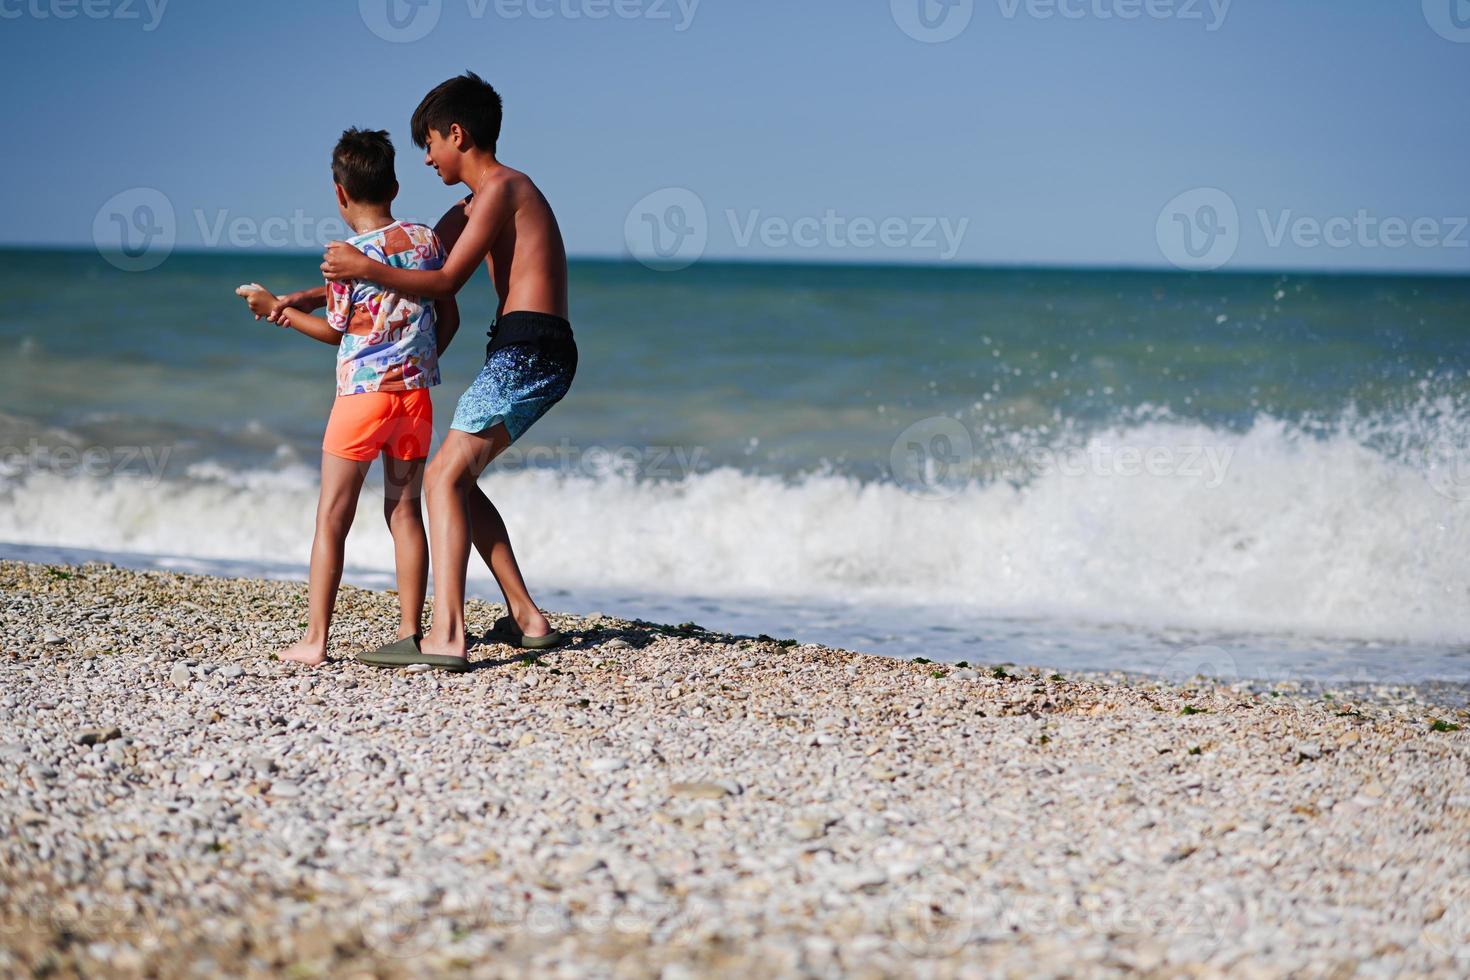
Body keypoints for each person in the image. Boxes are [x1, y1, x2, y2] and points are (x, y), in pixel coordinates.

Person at [314, 71, 577, 671]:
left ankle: (448, 635)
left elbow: (443, 282)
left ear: (456, 134)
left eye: (430, 143)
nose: (427, 158)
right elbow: (401, 257)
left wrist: (366, 270)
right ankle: (528, 617)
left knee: (438, 479)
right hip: (521, 347)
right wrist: (309, 294)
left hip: (531, 348)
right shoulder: (470, 207)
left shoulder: (506, 188)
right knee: (454, 480)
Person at [236, 127, 458, 667]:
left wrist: (279, 310)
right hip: (414, 400)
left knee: (333, 516)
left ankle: (316, 640)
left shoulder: (344, 256)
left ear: (339, 193)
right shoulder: (427, 241)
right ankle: (410, 632)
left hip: (361, 401)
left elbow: (338, 331)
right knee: (404, 511)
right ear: (396, 186)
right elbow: (439, 306)